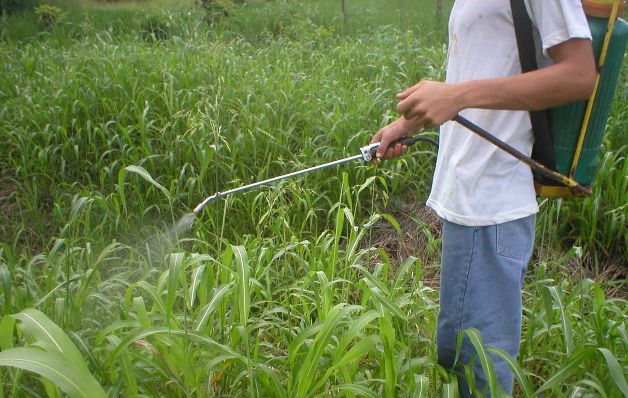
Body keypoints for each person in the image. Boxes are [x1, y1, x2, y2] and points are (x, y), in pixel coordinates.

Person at [370, 0, 596, 396]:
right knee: (458, 356)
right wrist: (406, 121)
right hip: (466, 198)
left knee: (479, 373)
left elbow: (579, 75)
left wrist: (457, 95)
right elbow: (480, 68)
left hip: (492, 202)